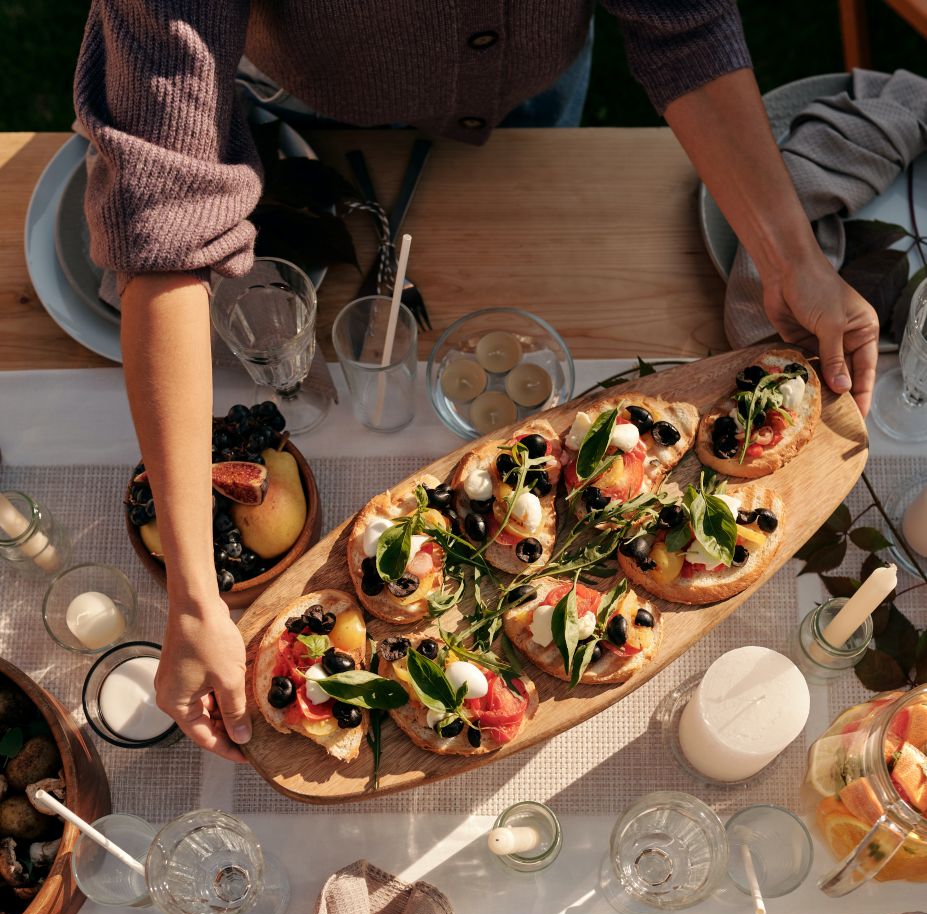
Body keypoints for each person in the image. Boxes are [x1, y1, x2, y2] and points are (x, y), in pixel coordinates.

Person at [74, 1, 879, 762]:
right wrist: (192, 594)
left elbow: (683, 24)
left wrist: (792, 261)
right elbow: (164, 219)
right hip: (318, 102)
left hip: (528, 108)